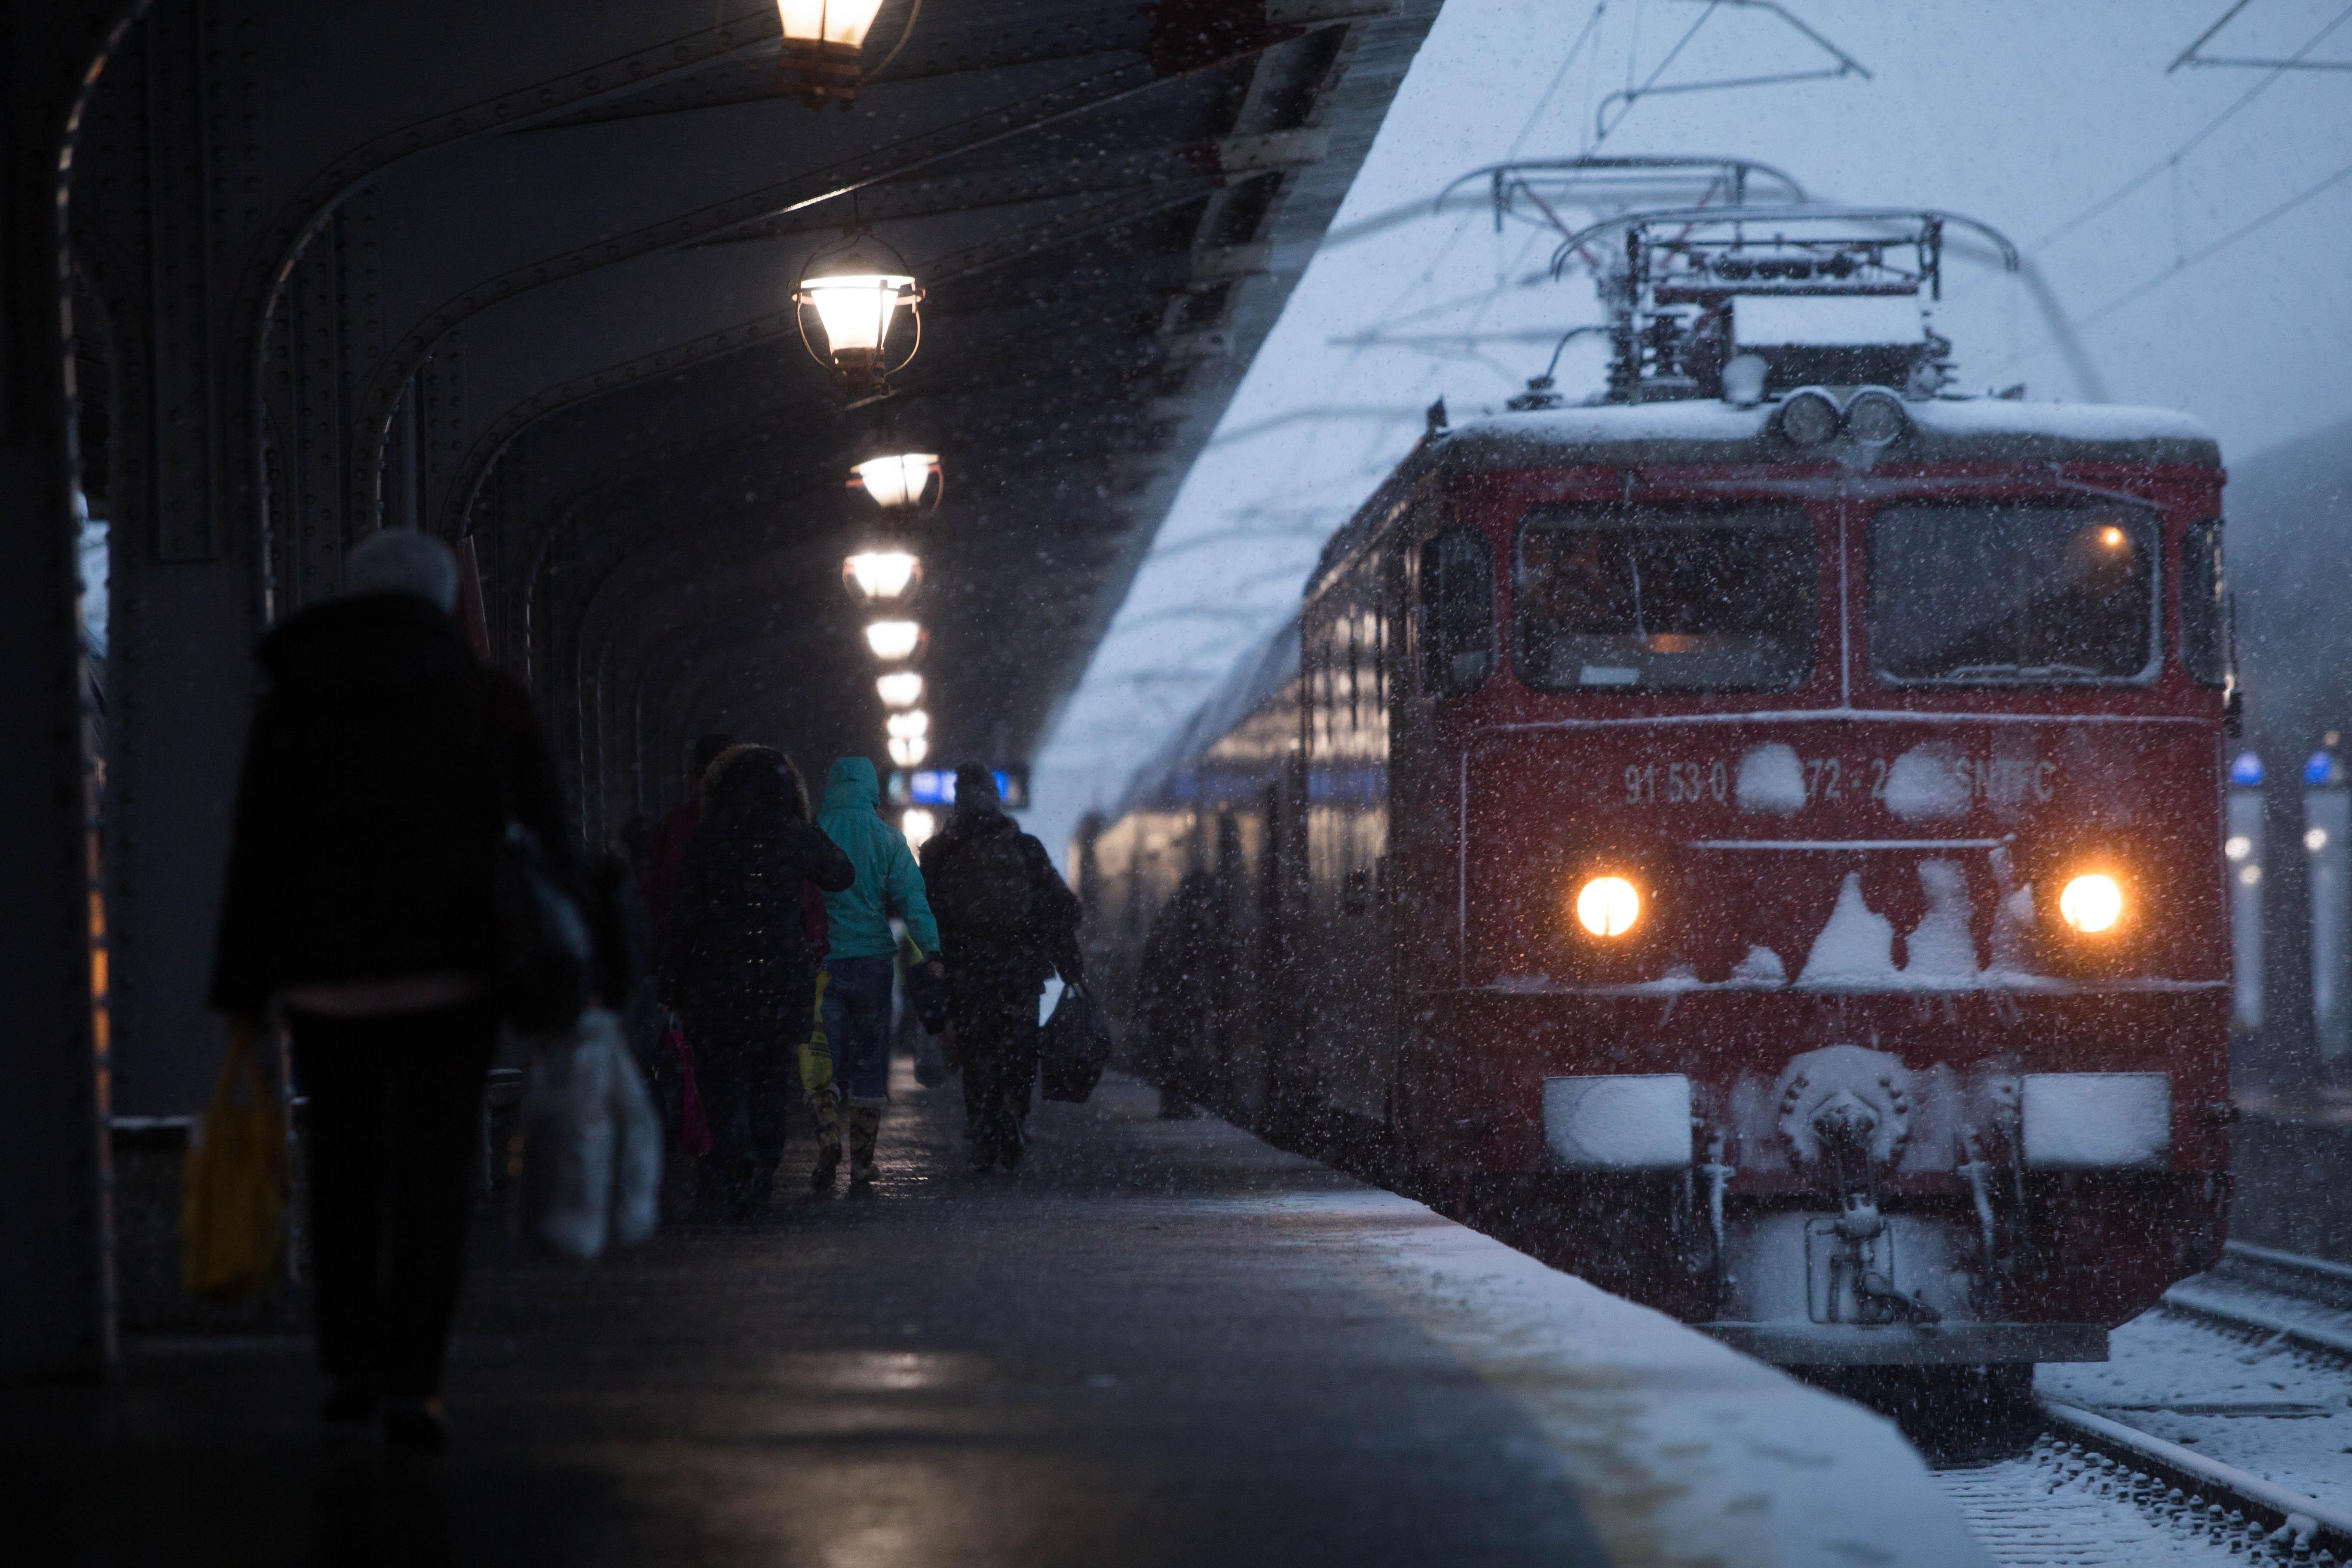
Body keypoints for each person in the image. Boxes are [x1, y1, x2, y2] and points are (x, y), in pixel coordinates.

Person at [209, 528, 570, 1454]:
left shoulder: (294, 699)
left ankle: (349, 1369)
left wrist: (243, 984)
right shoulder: (486, 698)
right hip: (452, 980)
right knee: (431, 1183)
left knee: (343, 1174)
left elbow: (258, 849)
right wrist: (573, 978)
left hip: (327, 983)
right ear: (442, 599)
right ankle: (415, 1382)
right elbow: (548, 842)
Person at [658, 746, 852, 1218]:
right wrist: (805, 822)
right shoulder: (793, 835)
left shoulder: (709, 836)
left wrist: (671, 984)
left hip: (718, 977)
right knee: (770, 1082)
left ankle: (737, 1153)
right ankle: (762, 1168)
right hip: (779, 979)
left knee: (722, 1083)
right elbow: (841, 873)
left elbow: (685, 914)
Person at [919, 763, 1082, 1172]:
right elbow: (1063, 909)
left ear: (958, 800)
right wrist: (1066, 961)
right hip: (1019, 972)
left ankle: (982, 1128)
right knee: (1020, 1049)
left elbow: (926, 912)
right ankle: (1014, 1115)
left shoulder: (939, 852)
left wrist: (939, 959)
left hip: (968, 973)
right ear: (996, 799)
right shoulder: (1026, 848)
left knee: (976, 1052)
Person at [813, 757, 941, 1188]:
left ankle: (827, 1135)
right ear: (871, 788)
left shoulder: (815, 832)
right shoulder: (888, 838)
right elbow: (913, 899)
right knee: (869, 1063)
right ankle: (862, 1162)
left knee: (822, 1059)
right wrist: (933, 948)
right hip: (872, 964)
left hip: (823, 963)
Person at [1136, 869, 1224, 1119]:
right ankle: (1176, 1102)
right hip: (1178, 1000)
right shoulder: (1190, 923)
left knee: (1170, 1053)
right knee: (1181, 1051)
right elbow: (1189, 962)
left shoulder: (1169, 917)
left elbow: (1151, 962)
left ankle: (1173, 1101)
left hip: (1165, 1000)